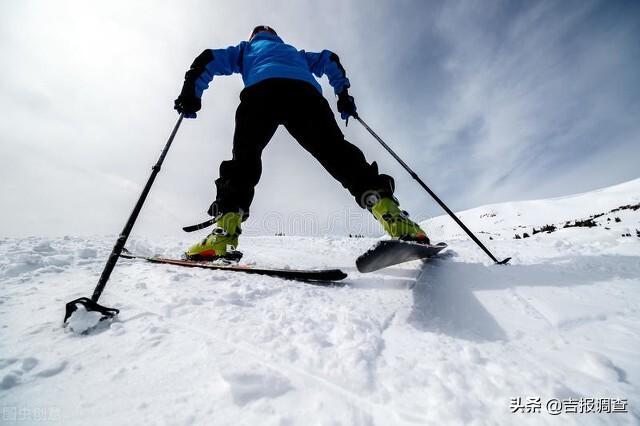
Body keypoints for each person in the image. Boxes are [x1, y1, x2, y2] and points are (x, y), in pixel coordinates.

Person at [175, 25, 428, 261]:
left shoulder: (246, 49)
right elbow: (330, 60)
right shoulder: (296, 53)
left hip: (260, 94)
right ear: (277, 36)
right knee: (336, 152)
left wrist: (191, 92)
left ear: (254, 37)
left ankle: (224, 235)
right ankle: (393, 216)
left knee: (245, 158)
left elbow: (208, 59)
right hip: (304, 95)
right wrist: (343, 95)